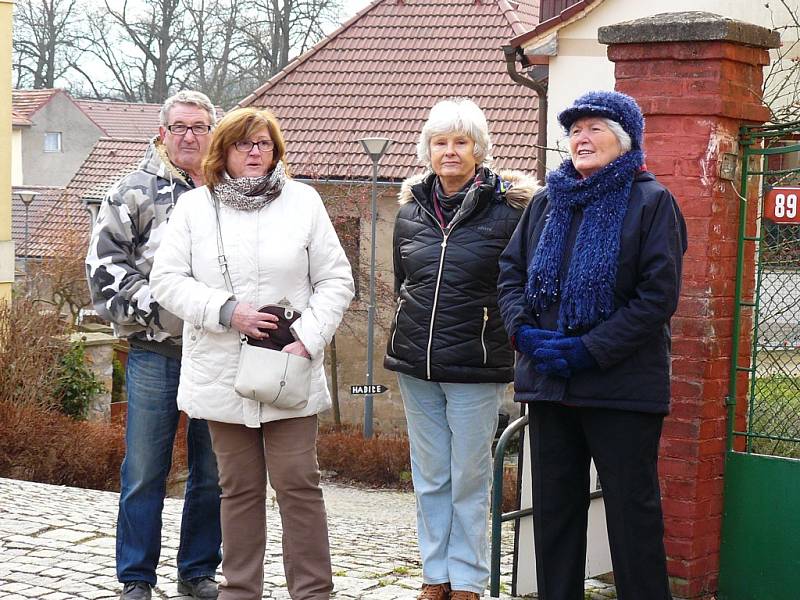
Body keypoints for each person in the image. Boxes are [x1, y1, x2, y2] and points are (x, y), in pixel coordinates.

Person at [149, 107, 354, 600]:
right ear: (225, 152)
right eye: (244, 144)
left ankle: (313, 593)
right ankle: (241, 591)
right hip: (222, 373)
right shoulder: (195, 209)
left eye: (263, 143)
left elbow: (335, 279)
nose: (255, 152)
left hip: (290, 368)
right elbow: (166, 280)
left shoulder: (304, 202)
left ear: (276, 149)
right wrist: (225, 310)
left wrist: (308, 336)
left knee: (298, 486)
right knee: (237, 490)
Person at [497, 90, 688, 600]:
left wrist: (589, 350)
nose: (581, 138)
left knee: (632, 516)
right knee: (555, 515)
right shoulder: (545, 202)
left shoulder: (652, 202)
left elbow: (656, 298)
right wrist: (523, 333)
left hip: (621, 389)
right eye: (575, 131)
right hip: (549, 386)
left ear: (624, 141)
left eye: (594, 128)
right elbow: (511, 274)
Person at [384, 98, 536, 600]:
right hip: (415, 362)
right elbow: (404, 280)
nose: (450, 151)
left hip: (475, 363)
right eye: (440, 142)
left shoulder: (510, 212)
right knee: (429, 476)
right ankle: (435, 575)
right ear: (427, 150)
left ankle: (469, 578)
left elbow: (520, 286)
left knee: (469, 476)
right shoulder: (409, 212)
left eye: (461, 141)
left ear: (479, 149)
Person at [86, 90, 222, 600]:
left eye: (200, 126)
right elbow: (104, 274)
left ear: (212, 131)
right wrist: (168, 310)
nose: (190, 135)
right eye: (180, 127)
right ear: (162, 133)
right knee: (145, 470)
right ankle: (136, 578)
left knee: (212, 472)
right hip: (155, 352)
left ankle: (198, 572)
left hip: (219, 353)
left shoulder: (230, 192)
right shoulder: (132, 191)